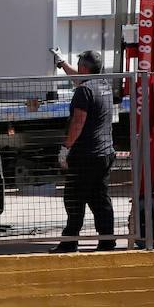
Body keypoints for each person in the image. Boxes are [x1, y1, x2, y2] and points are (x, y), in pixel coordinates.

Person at [50, 48, 116, 252]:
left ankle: (69, 243)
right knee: (100, 199)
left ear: (84, 68)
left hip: (86, 155)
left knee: (73, 198)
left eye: (79, 65)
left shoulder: (84, 91)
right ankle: (107, 241)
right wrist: (61, 64)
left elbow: (78, 123)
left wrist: (65, 148)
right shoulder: (103, 84)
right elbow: (79, 79)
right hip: (105, 153)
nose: (77, 68)